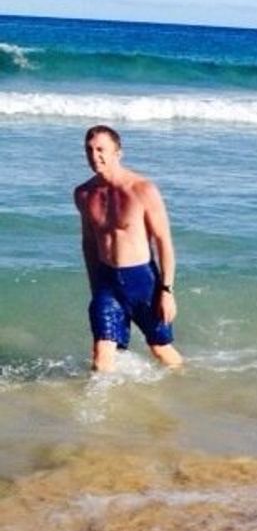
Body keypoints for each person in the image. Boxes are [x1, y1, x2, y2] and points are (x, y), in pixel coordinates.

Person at [75, 126, 182, 372]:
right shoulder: (83, 194)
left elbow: (164, 241)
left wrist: (167, 290)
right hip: (107, 283)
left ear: (117, 152)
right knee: (102, 358)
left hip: (143, 282)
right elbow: (89, 243)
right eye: (89, 150)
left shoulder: (142, 190)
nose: (94, 156)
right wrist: (95, 288)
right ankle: (99, 409)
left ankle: (190, 387)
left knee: (160, 349)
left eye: (101, 149)